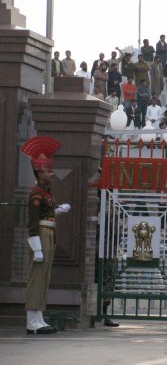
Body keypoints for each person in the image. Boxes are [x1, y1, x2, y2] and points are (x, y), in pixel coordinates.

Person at [21, 135, 71, 334]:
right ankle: (31, 321)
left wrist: (58, 210)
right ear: (38, 173)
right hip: (40, 236)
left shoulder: (46, 194)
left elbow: (46, 214)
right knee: (37, 279)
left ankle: (38, 317)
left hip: (49, 233)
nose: (51, 174)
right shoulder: (36, 194)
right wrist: (37, 248)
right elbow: (33, 223)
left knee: (45, 278)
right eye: (47, 171)